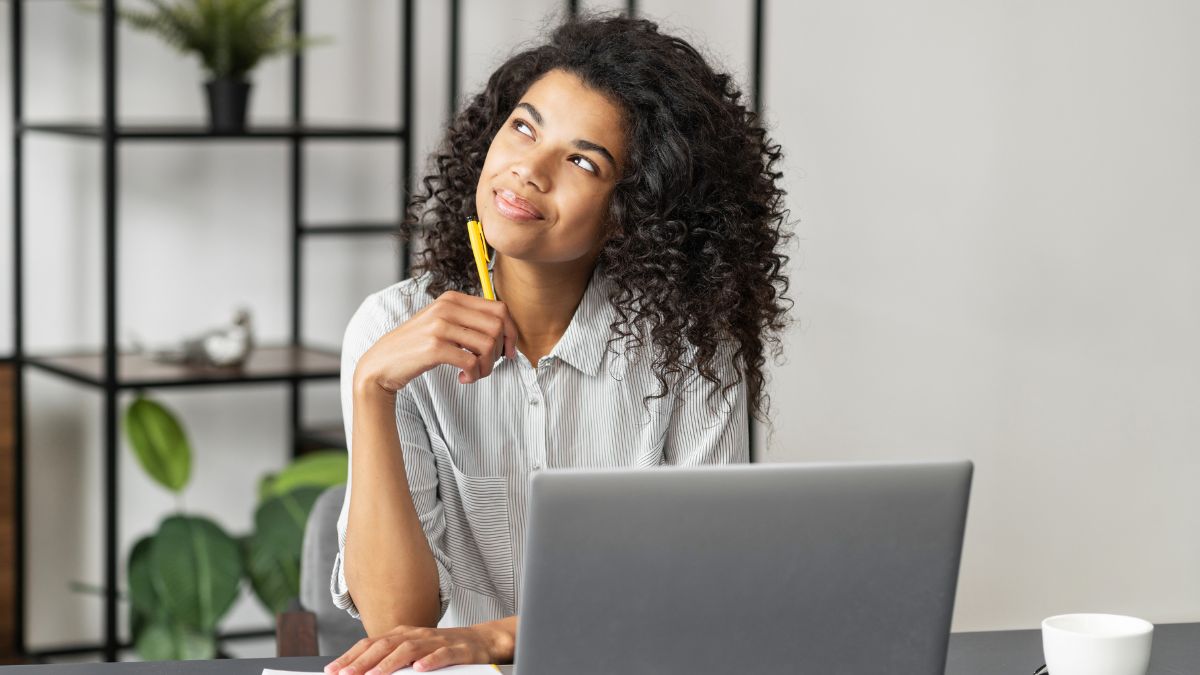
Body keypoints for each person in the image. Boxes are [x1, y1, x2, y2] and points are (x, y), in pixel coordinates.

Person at [323, 12, 790, 674]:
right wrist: (373, 387)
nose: (529, 170)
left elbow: (697, 592)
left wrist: (492, 636)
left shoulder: (691, 352)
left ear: (634, 209)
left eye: (581, 159)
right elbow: (398, 626)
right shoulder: (390, 328)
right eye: (523, 127)